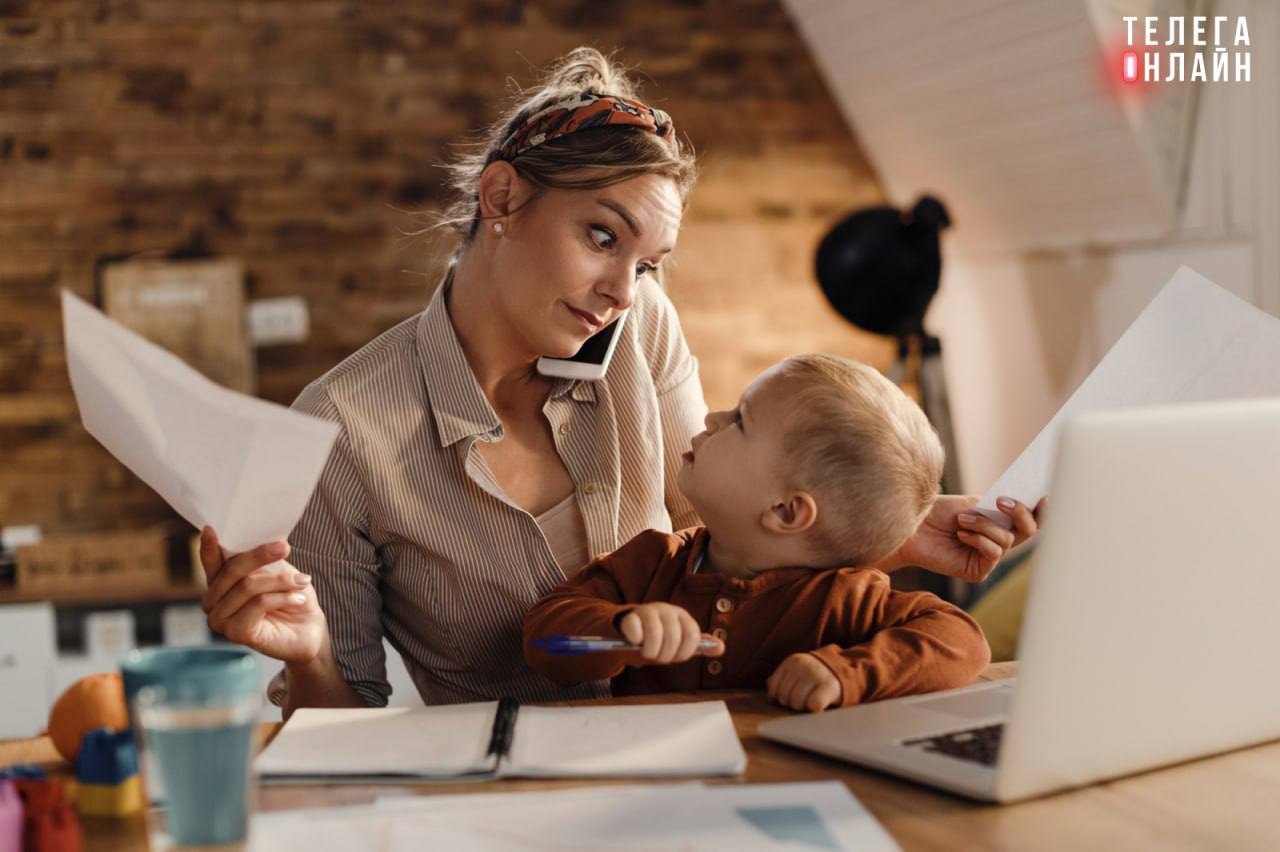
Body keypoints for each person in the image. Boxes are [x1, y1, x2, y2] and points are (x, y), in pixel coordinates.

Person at [197, 48, 1041, 717]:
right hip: (513, 803)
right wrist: (305, 653)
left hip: (713, 755)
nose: (622, 291)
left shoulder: (640, 324)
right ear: (501, 198)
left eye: (648, 264)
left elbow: (713, 530)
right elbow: (342, 726)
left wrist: (890, 525)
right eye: (602, 237)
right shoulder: (342, 430)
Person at [523, 354, 990, 712]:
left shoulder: (844, 598)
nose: (711, 419)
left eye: (740, 421)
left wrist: (844, 673)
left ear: (786, 511)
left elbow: (963, 642)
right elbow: (545, 643)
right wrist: (619, 631)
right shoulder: (650, 561)